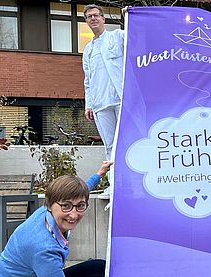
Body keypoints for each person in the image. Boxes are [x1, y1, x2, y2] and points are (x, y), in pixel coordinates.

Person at [82, 4, 125, 200]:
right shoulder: (88, 50)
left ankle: (129, 186)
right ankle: (114, 186)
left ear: (103, 18)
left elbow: (136, 36)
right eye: (89, 16)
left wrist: (129, 15)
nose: (93, 19)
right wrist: (88, 104)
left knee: (126, 142)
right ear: (86, 21)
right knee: (110, 146)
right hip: (100, 104)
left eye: (96, 15)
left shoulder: (117, 36)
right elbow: (88, 80)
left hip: (120, 98)